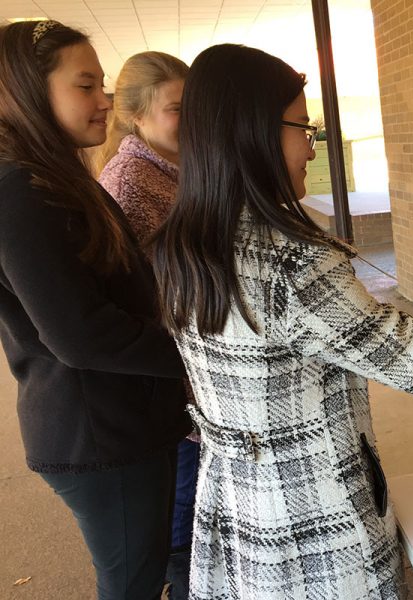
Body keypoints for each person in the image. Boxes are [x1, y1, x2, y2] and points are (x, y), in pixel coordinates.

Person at [150, 44, 413, 600]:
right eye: (301, 128)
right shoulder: (291, 260)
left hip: (238, 507)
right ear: (253, 131)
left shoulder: (182, 244)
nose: (310, 147)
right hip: (317, 530)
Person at [0, 20, 190, 599]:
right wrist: (197, 355)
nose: (105, 100)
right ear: (28, 92)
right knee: (132, 581)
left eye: (102, 84)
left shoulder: (58, 179)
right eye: (86, 86)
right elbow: (81, 334)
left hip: (123, 425)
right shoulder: (19, 191)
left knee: (145, 568)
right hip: (98, 436)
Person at [94, 51, 195, 600]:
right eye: (178, 108)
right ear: (135, 115)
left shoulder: (177, 167)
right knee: (180, 515)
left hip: (191, 363)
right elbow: (127, 295)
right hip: (169, 375)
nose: (192, 118)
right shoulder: (129, 181)